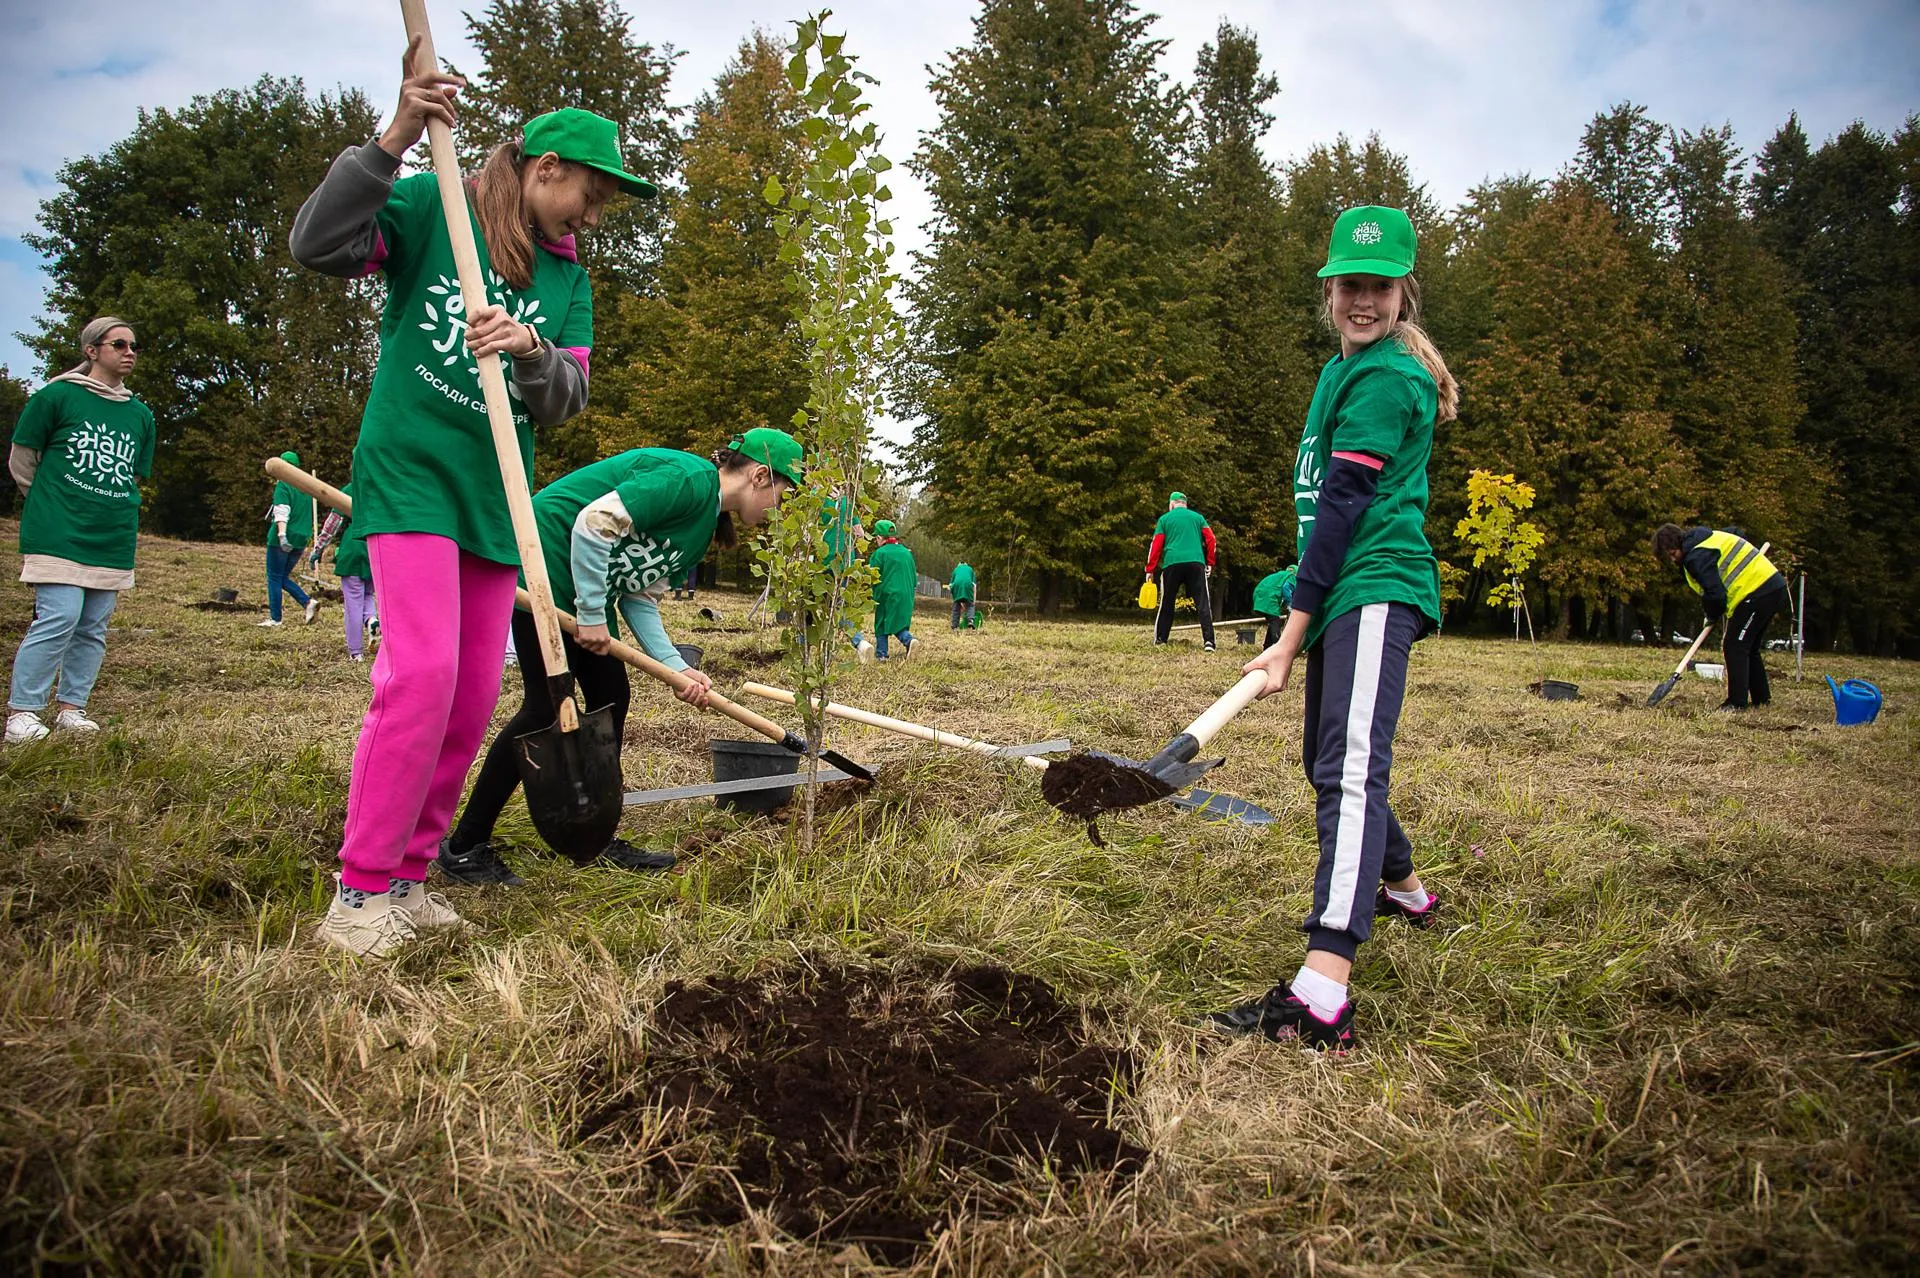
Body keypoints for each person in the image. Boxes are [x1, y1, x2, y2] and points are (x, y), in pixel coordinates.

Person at [289, 38, 653, 957]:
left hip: (497, 498)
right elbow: (319, 244)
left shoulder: (569, 282)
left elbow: (568, 400)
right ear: (544, 167)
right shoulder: (430, 204)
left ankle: (411, 875)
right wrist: (395, 137)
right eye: (590, 192)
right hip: (412, 472)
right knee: (418, 677)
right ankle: (360, 891)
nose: (596, 213)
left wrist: (530, 346)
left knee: (468, 695)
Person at [1211, 205, 1456, 1050]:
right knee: (1331, 760)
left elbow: (1348, 505)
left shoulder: (1390, 378)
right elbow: (1323, 512)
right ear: (1329, 289)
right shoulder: (1338, 372)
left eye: (1380, 287)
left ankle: (1322, 993)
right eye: (1351, 285)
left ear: (1402, 293)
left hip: (1376, 585)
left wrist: (1290, 632)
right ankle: (1407, 892)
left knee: (1349, 772)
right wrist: (1300, 594)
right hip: (1344, 585)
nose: (1364, 300)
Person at [439, 429, 802, 884]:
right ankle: (466, 845)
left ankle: (591, 835)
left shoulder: (701, 526)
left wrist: (675, 666)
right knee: (544, 708)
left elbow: (639, 597)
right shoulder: (687, 479)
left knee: (611, 696)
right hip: (546, 565)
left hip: (588, 590)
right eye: (783, 497)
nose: (779, 513)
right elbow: (594, 521)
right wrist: (591, 611)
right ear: (760, 475)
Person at [5, 317, 156, 744]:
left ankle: (72, 707)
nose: (129, 352)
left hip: (110, 534)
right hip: (58, 530)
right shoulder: (56, 396)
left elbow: (131, 475)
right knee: (59, 617)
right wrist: (49, 503)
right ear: (92, 351)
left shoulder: (140, 415)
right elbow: (23, 459)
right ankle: (23, 712)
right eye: (119, 344)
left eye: (134, 345)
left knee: (92, 625)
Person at [1652, 523, 1788, 711]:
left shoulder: (1695, 557)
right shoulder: (1707, 537)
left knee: (1734, 645)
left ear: (1678, 544)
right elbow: (1737, 531)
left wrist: (1712, 613)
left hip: (1757, 593)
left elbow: (1715, 595)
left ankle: (1736, 702)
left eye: (1673, 554)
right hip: (1773, 587)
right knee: (1749, 647)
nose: (1673, 560)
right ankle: (1761, 699)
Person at [308, 485, 377, 661]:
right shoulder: (384, 484)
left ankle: (356, 652)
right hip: (376, 549)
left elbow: (333, 523)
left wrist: (318, 548)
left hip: (353, 548)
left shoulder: (352, 488)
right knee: (368, 594)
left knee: (353, 601)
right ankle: (371, 622)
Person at [1146, 492, 1217, 650]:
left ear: (1172, 504)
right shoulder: (1198, 518)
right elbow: (1211, 539)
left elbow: (1156, 545)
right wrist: (1210, 562)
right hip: (1196, 562)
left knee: (1167, 602)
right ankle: (1209, 642)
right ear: (1185, 504)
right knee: (1203, 603)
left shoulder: (1164, 519)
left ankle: (1161, 640)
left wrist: (1150, 569)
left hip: (1172, 562)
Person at [261, 451, 319, 627]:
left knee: (273, 577)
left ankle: (275, 618)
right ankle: (307, 603)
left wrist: (281, 535)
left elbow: (282, 511)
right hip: (301, 538)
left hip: (284, 538)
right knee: (282, 576)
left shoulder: (283, 485)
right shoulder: (305, 488)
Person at [867, 519, 917, 659]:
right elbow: (914, 576)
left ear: (879, 537)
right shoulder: (906, 553)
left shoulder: (880, 554)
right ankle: (907, 642)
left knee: (883, 621)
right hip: (907, 593)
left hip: (887, 593)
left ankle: (889, 650)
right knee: (898, 620)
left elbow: (873, 575)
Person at [1252, 565, 1297, 647]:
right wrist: (1290, 606)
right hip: (1269, 598)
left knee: (1273, 621)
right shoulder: (1292, 576)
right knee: (1275, 621)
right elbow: (1286, 589)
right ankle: (1278, 646)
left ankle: (1267, 647)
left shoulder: (1279, 576)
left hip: (1259, 596)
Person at [949, 560, 976, 629]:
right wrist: (973, 601)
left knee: (956, 607)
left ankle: (954, 625)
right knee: (970, 605)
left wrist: (956, 599)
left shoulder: (956, 569)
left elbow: (951, 586)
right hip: (968, 586)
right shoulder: (970, 569)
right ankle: (970, 620)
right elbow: (974, 586)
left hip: (956, 586)